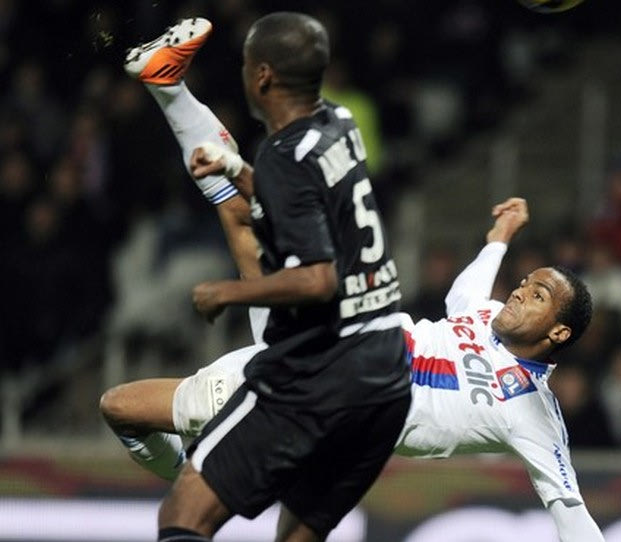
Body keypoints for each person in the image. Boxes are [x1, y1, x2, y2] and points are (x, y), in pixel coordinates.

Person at [101, 16, 603, 542]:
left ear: (559, 331)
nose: (520, 291)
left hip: (325, 399)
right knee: (241, 217)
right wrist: (499, 239)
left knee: (124, 409)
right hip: (327, 348)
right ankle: (167, 84)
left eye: (538, 294)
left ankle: (196, 475)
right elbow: (466, 293)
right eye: (526, 282)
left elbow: (572, 513)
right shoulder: (486, 317)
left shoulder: (533, 414)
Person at [112, 14, 412, 542]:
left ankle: (167, 87)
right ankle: (166, 84)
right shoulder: (340, 122)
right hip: (385, 374)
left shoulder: (283, 158)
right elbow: (297, 198)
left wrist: (228, 292)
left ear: (263, 76)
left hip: (318, 368)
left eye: (246, 64)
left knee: (181, 509)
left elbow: (318, 280)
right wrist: (235, 169)